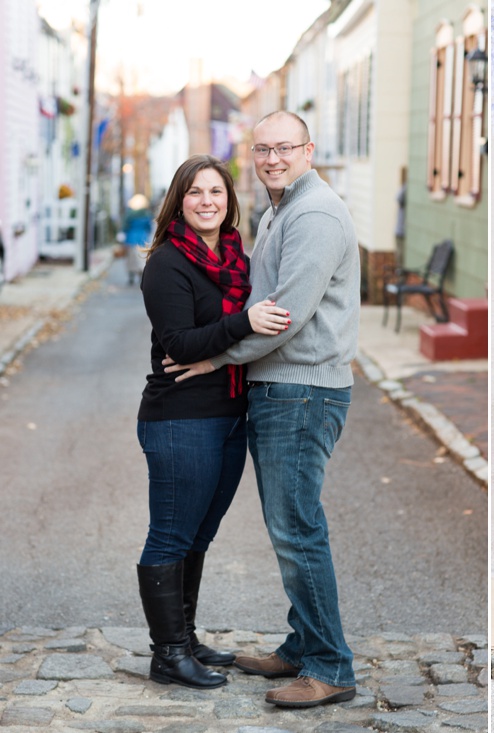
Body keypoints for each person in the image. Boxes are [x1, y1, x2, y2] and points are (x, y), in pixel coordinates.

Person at [165, 111, 361, 708]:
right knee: (290, 526)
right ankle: (302, 647)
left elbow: (285, 315)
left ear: (308, 149)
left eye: (284, 148)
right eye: (262, 150)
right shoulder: (282, 209)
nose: (272, 159)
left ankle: (330, 667)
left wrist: (215, 358)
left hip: (301, 391)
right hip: (282, 390)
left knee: (297, 529)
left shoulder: (316, 213)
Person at [136, 155, 290, 689]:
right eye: (196, 192)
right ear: (180, 199)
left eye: (217, 193)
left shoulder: (234, 258)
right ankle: (168, 653)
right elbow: (179, 343)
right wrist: (243, 321)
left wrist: (236, 332)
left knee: (199, 534)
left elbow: (230, 339)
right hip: (180, 417)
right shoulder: (166, 264)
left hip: (228, 414)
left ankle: (188, 637)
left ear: (229, 202)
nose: (207, 202)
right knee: (171, 535)